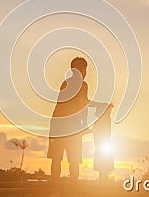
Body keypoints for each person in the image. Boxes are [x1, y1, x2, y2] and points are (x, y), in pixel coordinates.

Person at [47, 57, 110, 185]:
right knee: (71, 159)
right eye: (85, 69)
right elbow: (82, 103)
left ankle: (56, 186)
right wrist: (101, 105)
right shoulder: (80, 84)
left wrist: (84, 123)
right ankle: (69, 187)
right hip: (67, 126)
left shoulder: (67, 83)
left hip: (59, 125)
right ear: (81, 70)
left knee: (57, 158)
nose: (86, 73)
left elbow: (82, 106)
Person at [93, 103, 114, 181]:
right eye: (110, 109)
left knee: (103, 162)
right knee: (103, 162)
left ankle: (104, 179)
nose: (111, 111)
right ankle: (103, 179)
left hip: (103, 143)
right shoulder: (103, 118)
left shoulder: (104, 118)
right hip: (102, 143)